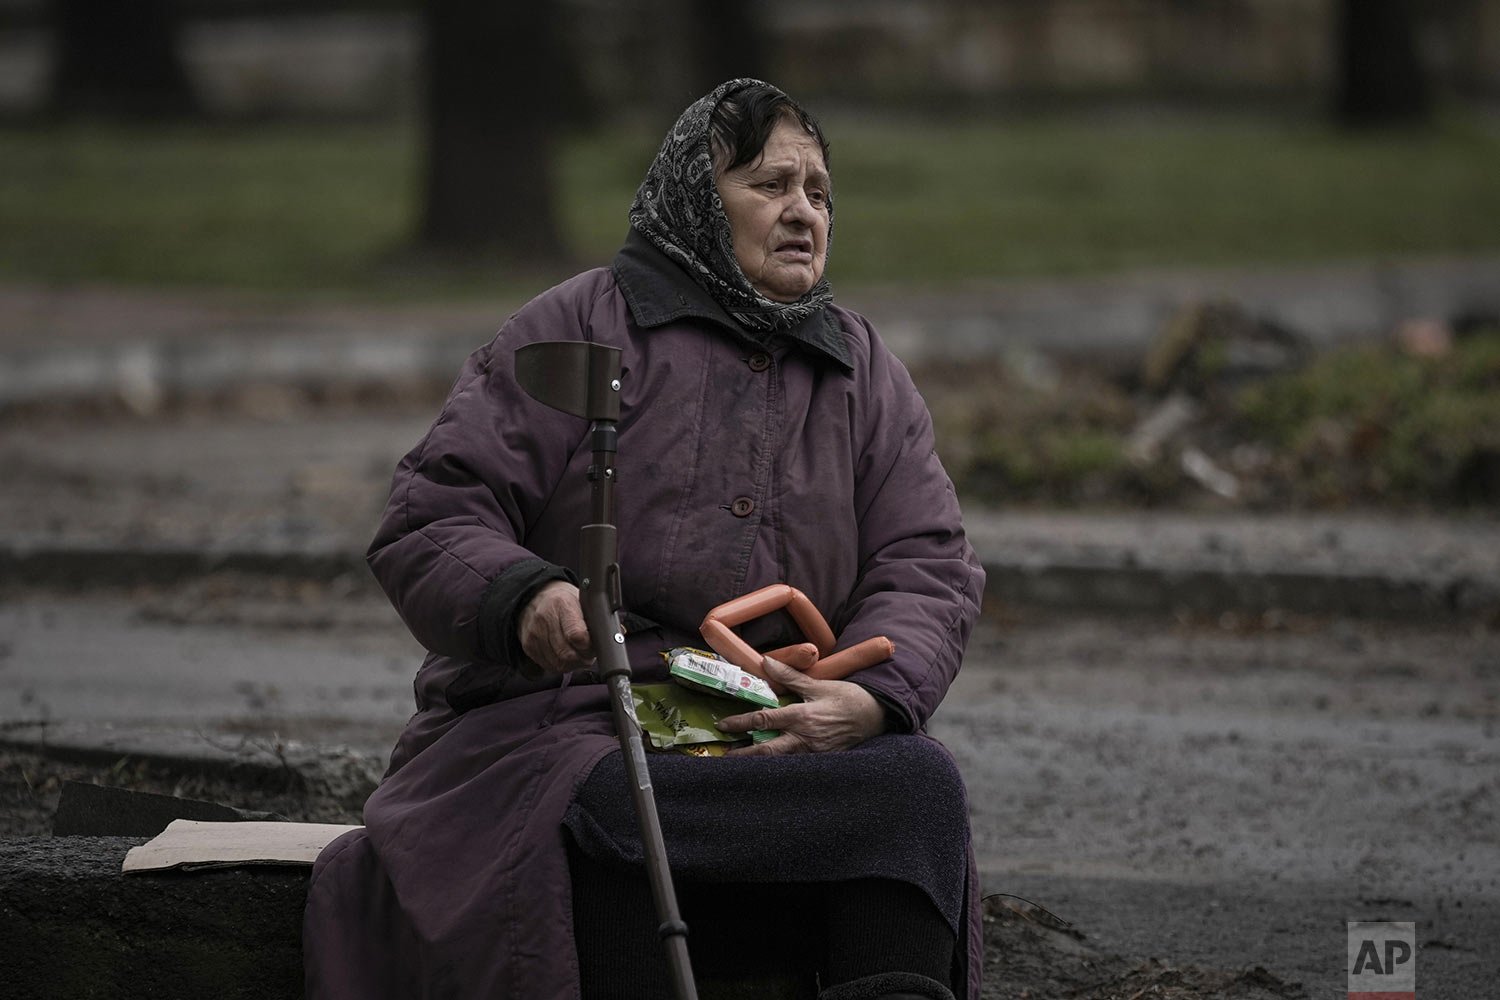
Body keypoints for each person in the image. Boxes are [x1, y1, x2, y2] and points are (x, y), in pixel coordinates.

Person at [303, 79, 986, 1000]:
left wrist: (870, 700)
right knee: (620, 800)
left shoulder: (861, 371)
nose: (803, 213)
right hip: (570, 716)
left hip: (771, 720)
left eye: (820, 193)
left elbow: (928, 561)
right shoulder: (580, 327)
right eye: (771, 184)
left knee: (917, 788)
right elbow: (434, 513)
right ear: (698, 198)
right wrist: (527, 599)